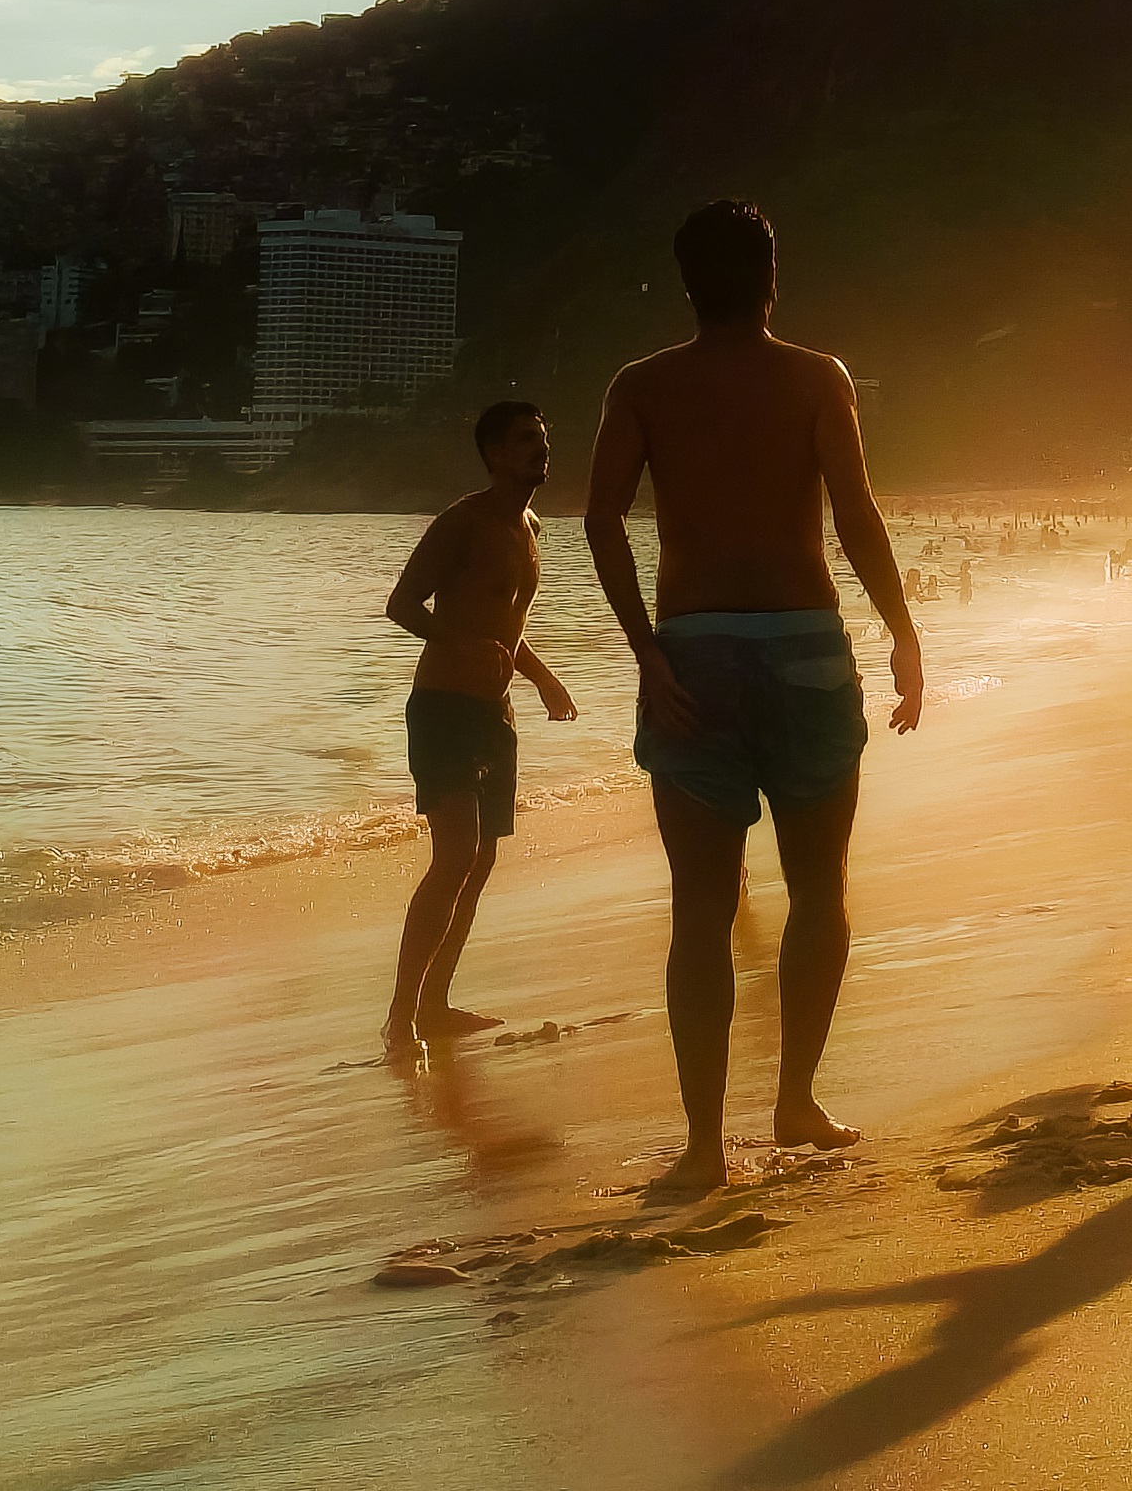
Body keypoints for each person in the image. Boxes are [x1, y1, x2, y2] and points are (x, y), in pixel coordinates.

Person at [585, 200, 924, 1193]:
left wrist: (644, 651)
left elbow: (601, 520)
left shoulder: (641, 385)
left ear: (687, 284)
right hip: (807, 646)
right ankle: (796, 1102)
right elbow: (854, 512)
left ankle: (703, 1147)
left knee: (700, 909)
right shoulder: (817, 377)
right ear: (773, 278)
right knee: (818, 889)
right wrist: (902, 631)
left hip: (693, 654)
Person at [381, 401, 578, 1069]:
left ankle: (436, 1002)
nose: (540, 449)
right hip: (443, 707)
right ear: (494, 453)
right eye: (526, 441)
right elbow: (401, 604)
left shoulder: (531, 526)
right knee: (455, 855)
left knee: (482, 858)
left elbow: (504, 629)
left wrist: (543, 679)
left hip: (496, 713)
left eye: (543, 438)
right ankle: (400, 1017)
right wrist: (460, 644)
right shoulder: (462, 522)